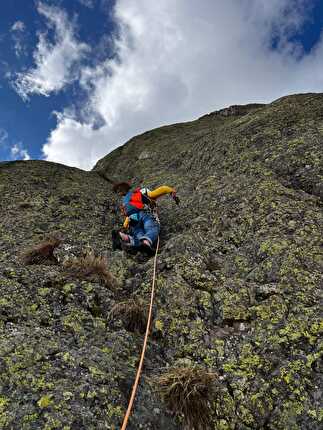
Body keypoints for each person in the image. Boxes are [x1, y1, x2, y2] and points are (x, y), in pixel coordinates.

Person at [112, 182, 179, 253]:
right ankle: (146, 243)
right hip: (145, 214)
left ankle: (124, 237)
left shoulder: (125, 202)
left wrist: (124, 226)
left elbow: (128, 216)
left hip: (133, 219)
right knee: (152, 228)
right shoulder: (142, 192)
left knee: (138, 234)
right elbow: (159, 190)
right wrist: (171, 191)